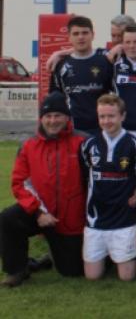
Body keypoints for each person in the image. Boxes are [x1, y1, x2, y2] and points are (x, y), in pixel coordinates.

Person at [1, 92, 86, 286]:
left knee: (73, 272)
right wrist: (38, 211)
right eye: (48, 116)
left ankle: (50, 257)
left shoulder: (83, 143)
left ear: (67, 117)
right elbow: (20, 182)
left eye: (58, 116)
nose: (53, 121)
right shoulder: (29, 145)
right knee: (9, 218)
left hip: (71, 219)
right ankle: (17, 270)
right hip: (39, 213)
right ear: (41, 119)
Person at [80, 94, 136, 280]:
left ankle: (133, 257)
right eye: (102, 116)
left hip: (124, 220)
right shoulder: (88, 145)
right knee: (92, 277)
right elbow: (85, 176)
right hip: (96, 220)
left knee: (127, 278)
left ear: (123, 116)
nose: (106, 121)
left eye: (111, 116)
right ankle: (109, 256)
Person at [49, 15, 114, 135]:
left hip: (103, 128)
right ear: (69, 37)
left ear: (92, 35)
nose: (81, 37)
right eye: (76, 34)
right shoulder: (60, 65)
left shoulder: (106, 61)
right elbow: (55, 100)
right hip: (73, 129)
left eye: (85, 33)